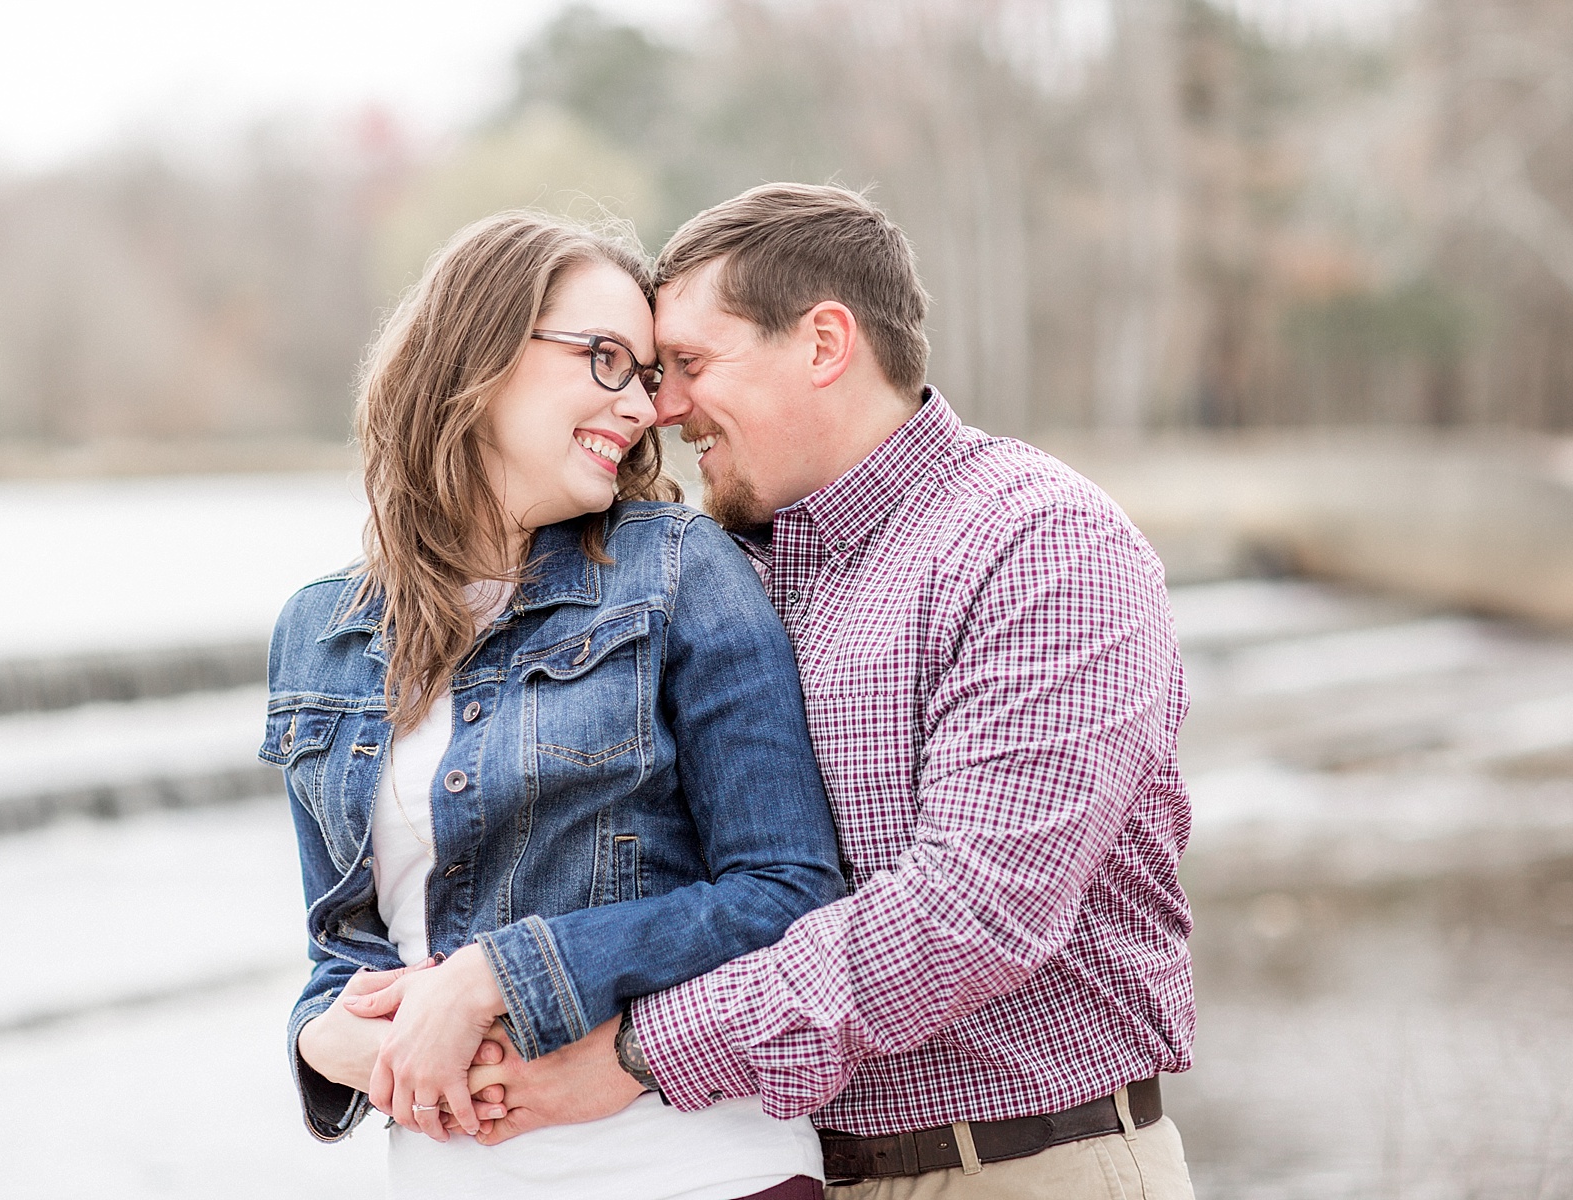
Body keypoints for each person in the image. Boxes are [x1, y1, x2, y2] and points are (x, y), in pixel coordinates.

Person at [441, 184, 1199, 1200]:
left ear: (824, 343)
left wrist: (634, 1054)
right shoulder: (716, 577)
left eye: (692, 368)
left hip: (1018, 1165)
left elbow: (974, 913)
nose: (662, 409)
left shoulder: (1041, 544)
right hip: (772, 1170)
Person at [259, 211, 844, 1199]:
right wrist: (326, 1044)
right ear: (478, 353)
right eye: (606, 358)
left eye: (648, 375)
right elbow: (340, 952)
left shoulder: (680, 571)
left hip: (690, 1170)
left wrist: (501, 973)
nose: (643, 406)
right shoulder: (320, 629)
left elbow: (788, 890)